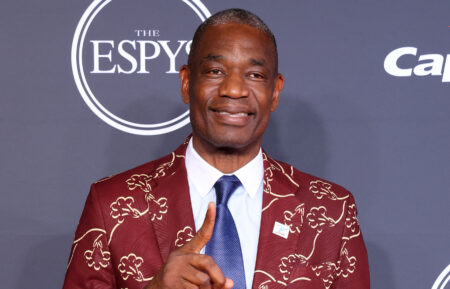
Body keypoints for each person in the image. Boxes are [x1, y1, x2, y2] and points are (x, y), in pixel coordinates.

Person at [63, 8, 370, 289]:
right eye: (215, 72)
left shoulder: (332, 210)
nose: (234, 89)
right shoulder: (112, 204)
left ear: (275, 92)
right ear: (186, 82)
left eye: (255, 75)